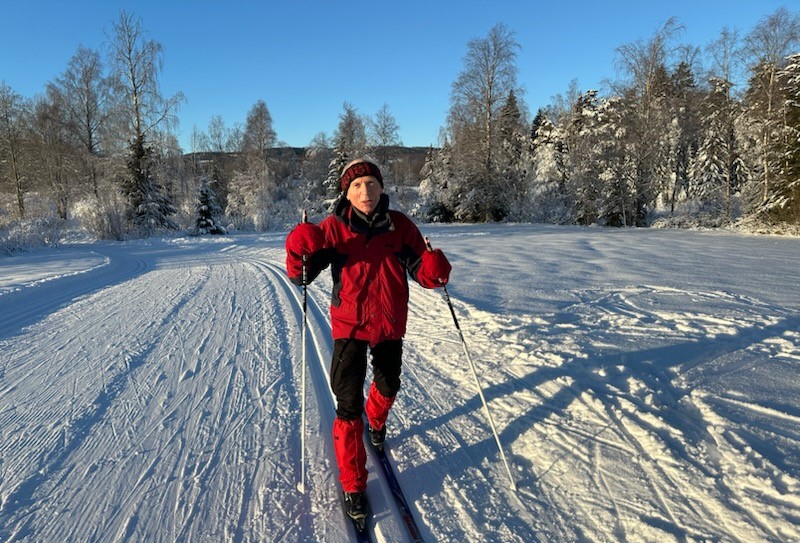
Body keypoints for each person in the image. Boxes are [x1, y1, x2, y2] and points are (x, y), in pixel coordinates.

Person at [284, 158, 451, 524]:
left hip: (390, 323)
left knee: (389, 385)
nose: (366, 192)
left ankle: (376, 423)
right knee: (347, 403)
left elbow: (421, 269)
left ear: (381, 188)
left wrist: (434, 270)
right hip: (350, 326)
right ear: (347, 191)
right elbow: (302, 276)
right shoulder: (334, 228)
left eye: (371, 184)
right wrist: (298, 251)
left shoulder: (400, 226)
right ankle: (353, 483)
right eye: (357, 186)